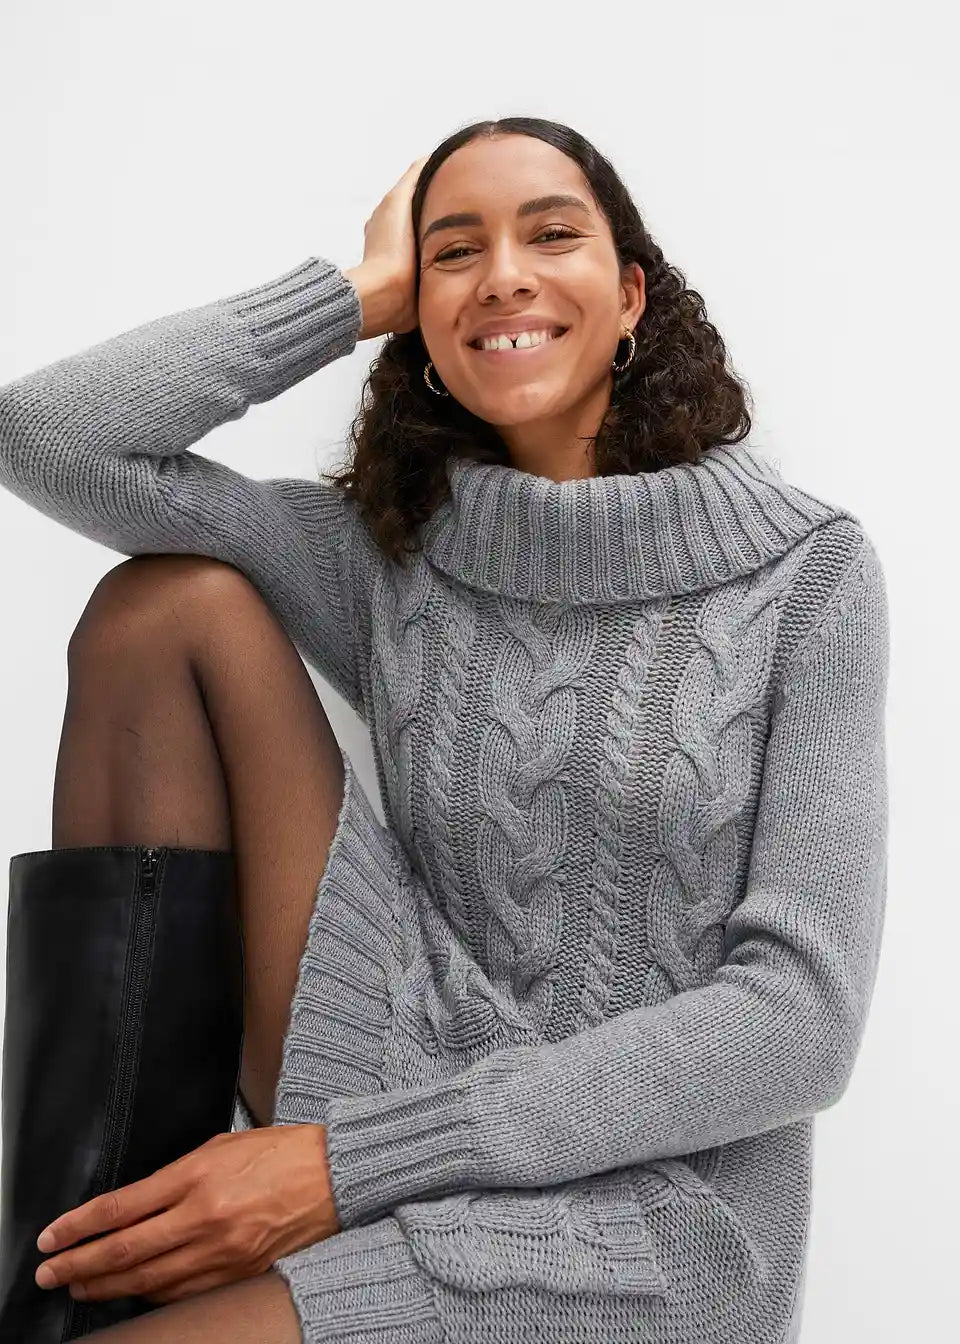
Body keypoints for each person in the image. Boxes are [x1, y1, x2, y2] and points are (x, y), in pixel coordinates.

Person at [0, 116, 889, 1343]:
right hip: (402, 1063)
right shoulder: (397, 556)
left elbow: (799, 1023)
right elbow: (48, 436)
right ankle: (92, 1259)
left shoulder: (807, 576)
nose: (505, 275)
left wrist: (344, 1164)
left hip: (654, 1219)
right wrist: (354, 294)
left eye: (552, 234)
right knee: (164, 606)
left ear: (632, 295)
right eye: (456, 252)